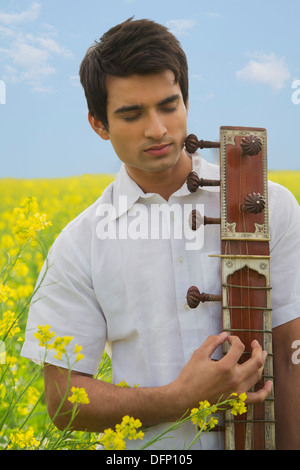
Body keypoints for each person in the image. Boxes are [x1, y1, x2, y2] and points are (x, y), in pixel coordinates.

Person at [21, 17, 300, 450]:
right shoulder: (79, 244)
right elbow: (63, 401)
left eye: (169, 105)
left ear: (186, 100)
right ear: (98, 123)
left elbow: (292, 354)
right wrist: (182, 399)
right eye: (131, 114)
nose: (157, 129)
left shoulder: (267, 206)